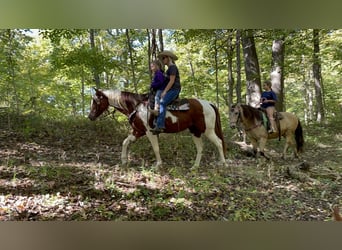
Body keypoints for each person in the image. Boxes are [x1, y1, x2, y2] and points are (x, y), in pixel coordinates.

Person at [150, 50, 181, 135]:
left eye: (164, 58)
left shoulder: (173, 67)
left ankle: (160, 126)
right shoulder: (168, 69)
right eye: (162, 58)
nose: (163, 60)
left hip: (174, 89)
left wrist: (164, 91)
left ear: (168, 58)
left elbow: (172, 81)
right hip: (170, 89)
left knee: (162, 103)